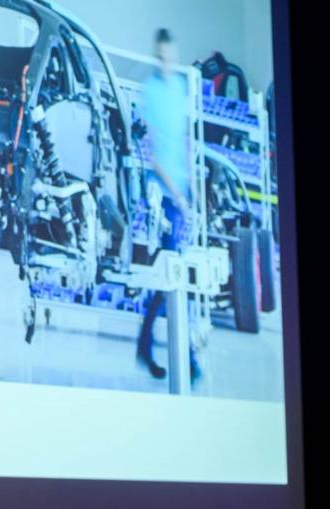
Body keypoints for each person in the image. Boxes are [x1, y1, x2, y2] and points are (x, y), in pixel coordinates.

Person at [137, 28, 200, 382]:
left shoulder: (179, 88)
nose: (167, 64)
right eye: (162, 58)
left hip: (182, 193)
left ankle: (145, 345)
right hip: (164, 196)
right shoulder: (151, 91)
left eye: (171, 58)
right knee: (174, 277)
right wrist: (177, 195)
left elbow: (184, 140)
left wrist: (191, 189)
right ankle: (187, 358)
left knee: (170, 279)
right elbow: (154, 154)